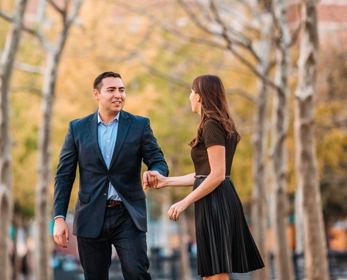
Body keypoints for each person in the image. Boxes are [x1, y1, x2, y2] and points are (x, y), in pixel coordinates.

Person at [144, 75, 264, 279]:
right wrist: (166, 181)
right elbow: (205, 174)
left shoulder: (212, 125)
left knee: (217, 273)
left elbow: (217, 175)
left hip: (216, 202)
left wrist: (184, 203)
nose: (190, 96)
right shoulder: (218, 124)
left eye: (191, 91)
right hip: (214, 199)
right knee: (210, 273)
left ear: (199, 96)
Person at [53, 71, 169, 280]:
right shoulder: (77, 128)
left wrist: (155, 172)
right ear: (97, 94)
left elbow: (158, 160)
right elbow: (64, 175)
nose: (118, 95)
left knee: (137, 273)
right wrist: (59, 217)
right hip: (91, 215)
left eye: (122, 90)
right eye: (111, 90)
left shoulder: (139, 125)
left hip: (128, 214)